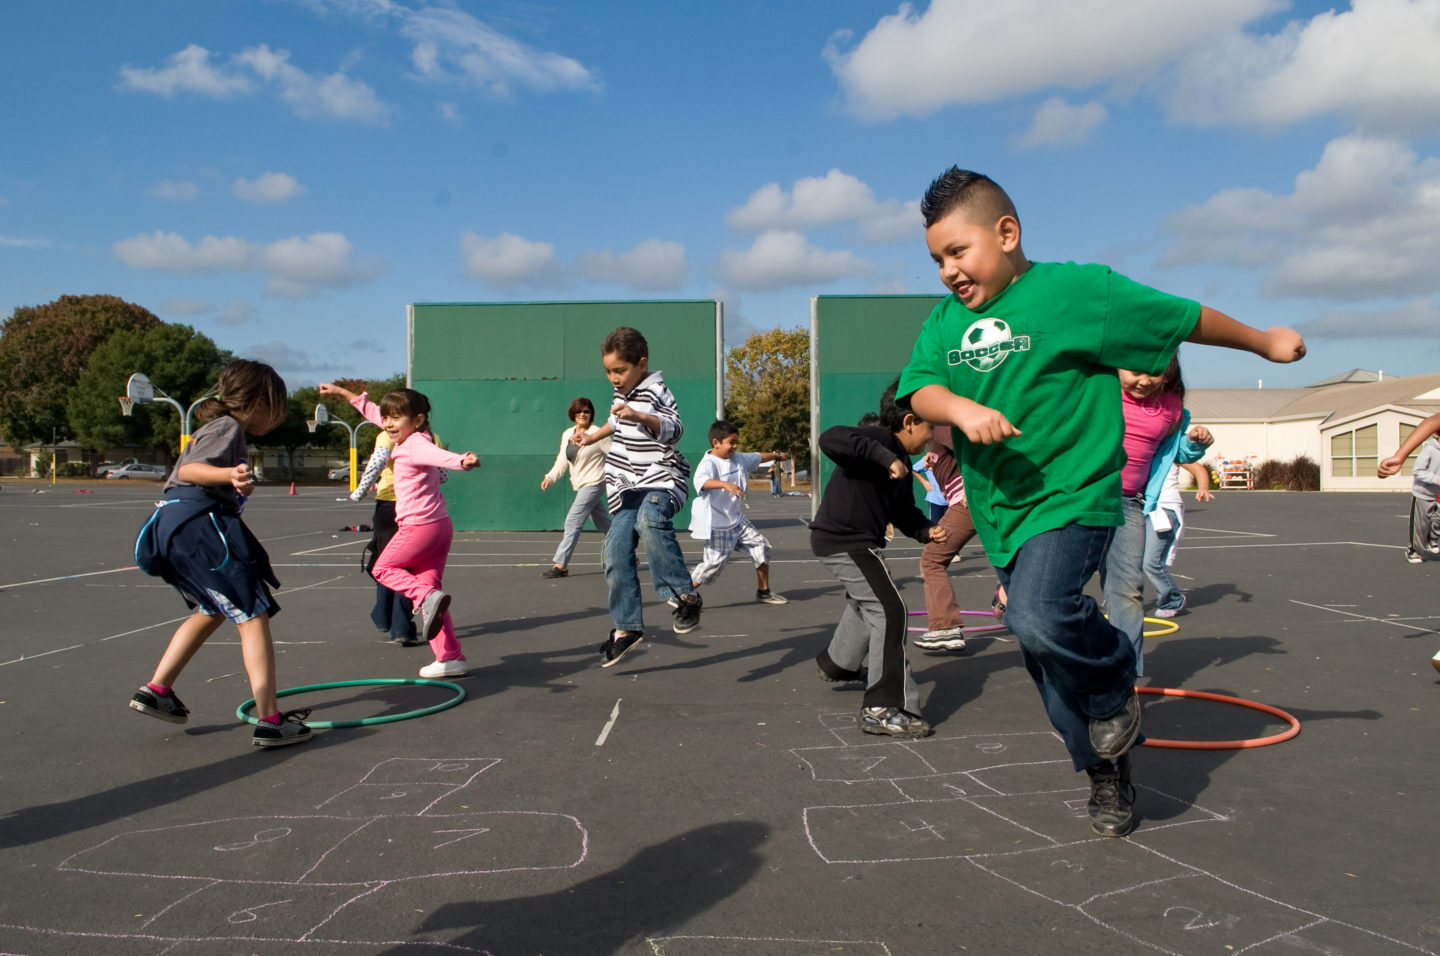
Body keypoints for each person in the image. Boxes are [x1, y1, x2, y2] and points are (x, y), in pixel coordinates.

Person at [899, 166, 1305, 837]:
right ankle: (1106, 769)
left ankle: (1116, 674)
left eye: (957, 252)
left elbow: (1179, 315)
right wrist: (961, 408)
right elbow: (920, 391)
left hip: (1076, 495)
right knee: (1045, 657)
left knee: (1035, 614)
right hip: (1003, 513)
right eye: (937, 259)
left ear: (1006, 233)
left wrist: (1262, 341)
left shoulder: (1076, 291)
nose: (947, 271)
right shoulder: (945, 322)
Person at [129, 359, 312, 748]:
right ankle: (271, 720)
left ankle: (158, 690)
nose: (280, 414)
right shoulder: (228, 426)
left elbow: (191, 474)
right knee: (253, 613)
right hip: (200, 527)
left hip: (173, 526)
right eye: (277, 404)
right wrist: (227, 476)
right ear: (258, 400)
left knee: (213, 608)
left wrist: (233, 486)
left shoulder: (215, 429)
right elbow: (193, 471)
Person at [811, 380, 946, 739]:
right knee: (890, 609)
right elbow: (831, 438)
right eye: (930, 428)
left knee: (867, 602)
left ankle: (837, 663)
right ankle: (882, 707)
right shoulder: (883, 442)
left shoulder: (901, 461)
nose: (931, 437)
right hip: (846, 541)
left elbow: (903, 511)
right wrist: (883, 457)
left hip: (850, 542)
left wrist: (924, 530)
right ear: (910, 421)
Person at [318, 382, 479, 678]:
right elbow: (371, 412)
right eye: (386, 417)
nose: (388, 423)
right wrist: (343, 393)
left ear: (417, 420)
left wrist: (462, 460)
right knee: (430, 593)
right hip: (439, 526)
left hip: (418, 527)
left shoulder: (417, 442)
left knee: (382, 569)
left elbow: (441, 457)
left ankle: (426, 600)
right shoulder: (403, 432)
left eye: (395, 418)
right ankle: (450, 657)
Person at [575, 326, 701, 667]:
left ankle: (684, 596)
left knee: (650, 520)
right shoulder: (622, 395)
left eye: (620, 370)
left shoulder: (656, 390)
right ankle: (627, 627)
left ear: (641, 364)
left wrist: (641, 416)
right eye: (608, 372)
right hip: (629, 485)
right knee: (614, 549)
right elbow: (614, 425)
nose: (613, 378)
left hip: (663, 479)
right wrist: (590, 438)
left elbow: (675, 428)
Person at [1100, 357, 1213, 675]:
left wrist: (1194, 444)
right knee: (1058, 591)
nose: (1143, 380)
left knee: (1127, 591)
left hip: (1130, 504)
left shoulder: (1172, 407)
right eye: (1134, 371)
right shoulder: (1101, 390)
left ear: (1169, 372)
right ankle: (1012, 588)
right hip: (1083, 498)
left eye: (1154, 372)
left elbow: (1174, 453)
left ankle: (1125, 680)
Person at [688, 420, 790, 605]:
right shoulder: (709, 463)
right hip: (718, 524)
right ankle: (681, 591)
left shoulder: (738, 458)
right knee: (712, 565)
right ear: (716, 443)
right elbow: (702, 482)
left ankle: (764, 591)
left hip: (738, 521)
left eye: (736, 442)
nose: (735, 447)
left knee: (761, 546)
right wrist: (724, 484)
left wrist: (776, 456)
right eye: (731, 443)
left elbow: (759, 457)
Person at [910, 431, 981, 652]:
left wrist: (971, 484)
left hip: (967, 501)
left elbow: (973, 447)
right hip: (966, 500)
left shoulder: (940, 425)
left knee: (932, 560)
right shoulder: (934, 435)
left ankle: (946, 627)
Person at [350, 430, 419, 645]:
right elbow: (442, 475)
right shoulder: (428, 437)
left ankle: (385, 617)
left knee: (386, 564)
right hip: (416, 506)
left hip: (389, 505)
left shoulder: (387, 435)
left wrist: (359, 491)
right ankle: (400, 626)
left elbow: (378, 461)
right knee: (406, 567)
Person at [539, 396, 611, 578]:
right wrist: (550, 477)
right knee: (603, 522)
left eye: (586, 411)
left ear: (591, 414)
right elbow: (562, 460)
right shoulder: (567, 434)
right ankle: (626, 550)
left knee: (572, 521)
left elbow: (616, 455)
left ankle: (561, 564)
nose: (582, 414)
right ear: (573, 413)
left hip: (595, 482)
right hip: (580, 484)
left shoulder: (598, 433)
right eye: (579, 411)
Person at [1145, 461, 1214, 617]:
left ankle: (1173, 599)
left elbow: (1199, 469)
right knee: (1130, 562)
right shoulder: (1139, 447)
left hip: (1165, 508)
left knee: (1151, 562)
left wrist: (1202, 488)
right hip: (1141, 508)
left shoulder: (1172, 449)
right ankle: (1126, 602)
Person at [1379, 411, 1440, 564]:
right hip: (1424, 492)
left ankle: (1432, 540)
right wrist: (1400, 455)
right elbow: (1434, 420)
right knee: (1421, 524)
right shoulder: (1431, 450)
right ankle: (1415, 550)